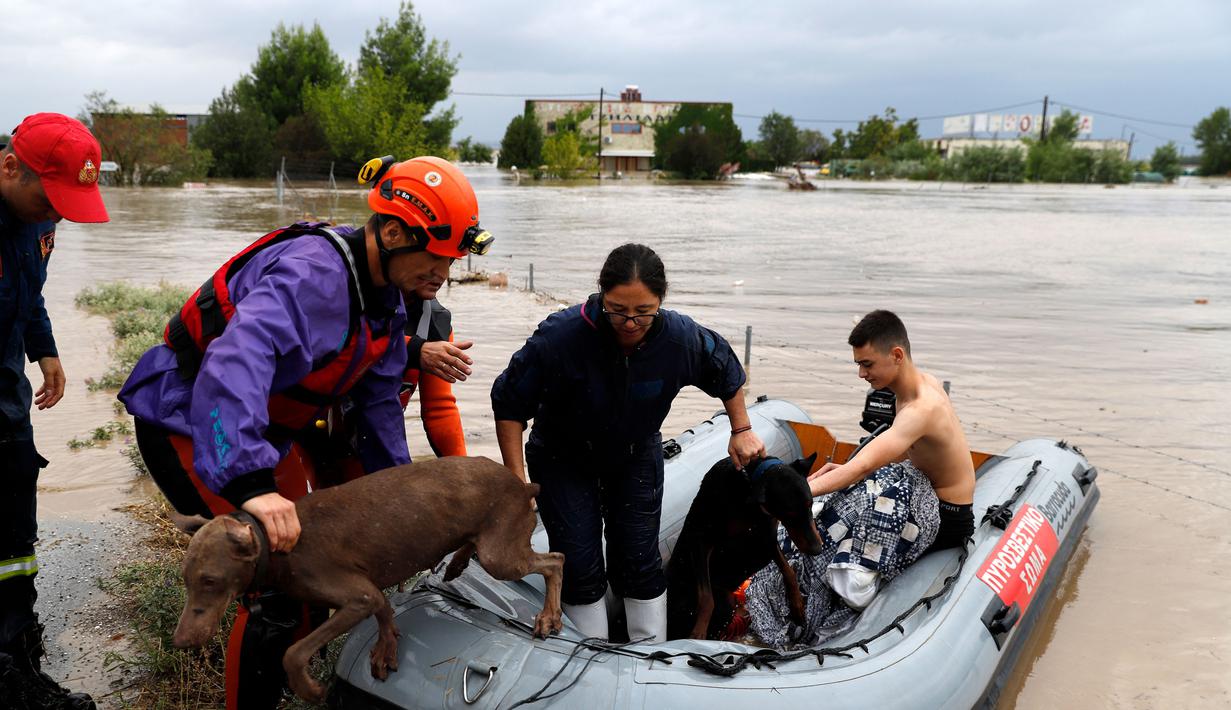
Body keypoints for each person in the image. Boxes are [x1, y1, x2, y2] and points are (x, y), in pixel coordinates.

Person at [119, 155, 492, 709]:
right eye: (436, 258)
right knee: (281, 586)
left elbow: (381, 411)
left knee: (314, 567)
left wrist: (416, 505)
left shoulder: (387, 301)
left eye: (453, 262)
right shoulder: (313, 273)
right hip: (190, 419)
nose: (443, 276)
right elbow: (235, 363)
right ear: (393, 233)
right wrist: (251, 484)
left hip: (263, 431)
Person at [491, 243, 765, 643]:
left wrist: (741, 429)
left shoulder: (679, 338)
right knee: (579, 563)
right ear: (602, 295)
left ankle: (648, 652)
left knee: (639, 558)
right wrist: (517, 481)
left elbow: (724, 369)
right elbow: (509, 404)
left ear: (660, 302)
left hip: (635, 454)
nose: (631, 322)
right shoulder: (561, 337)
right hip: (563, 459)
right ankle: (590, 654)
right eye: (618, 310)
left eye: (643, 312)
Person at [746, 310, 975, 648]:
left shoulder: (921, 409)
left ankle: (841, 596)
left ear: (896, 355)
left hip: (946, 516)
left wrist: (795, 494)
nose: (861, 374)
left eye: (867, 364)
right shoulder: (918, 385)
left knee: (832, 521)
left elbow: (863, 467)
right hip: (922, 490)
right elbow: (898, 451)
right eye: (858, 364)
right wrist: (843, 471)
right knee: (834, 504)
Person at [0, 113, 108, 710]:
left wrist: (46, 353)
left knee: (15, 521)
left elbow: (29, 294)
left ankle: (16, 651)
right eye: (51, 200)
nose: (58, 215)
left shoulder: (39, 220)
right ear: (9, 167)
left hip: (6, 395)